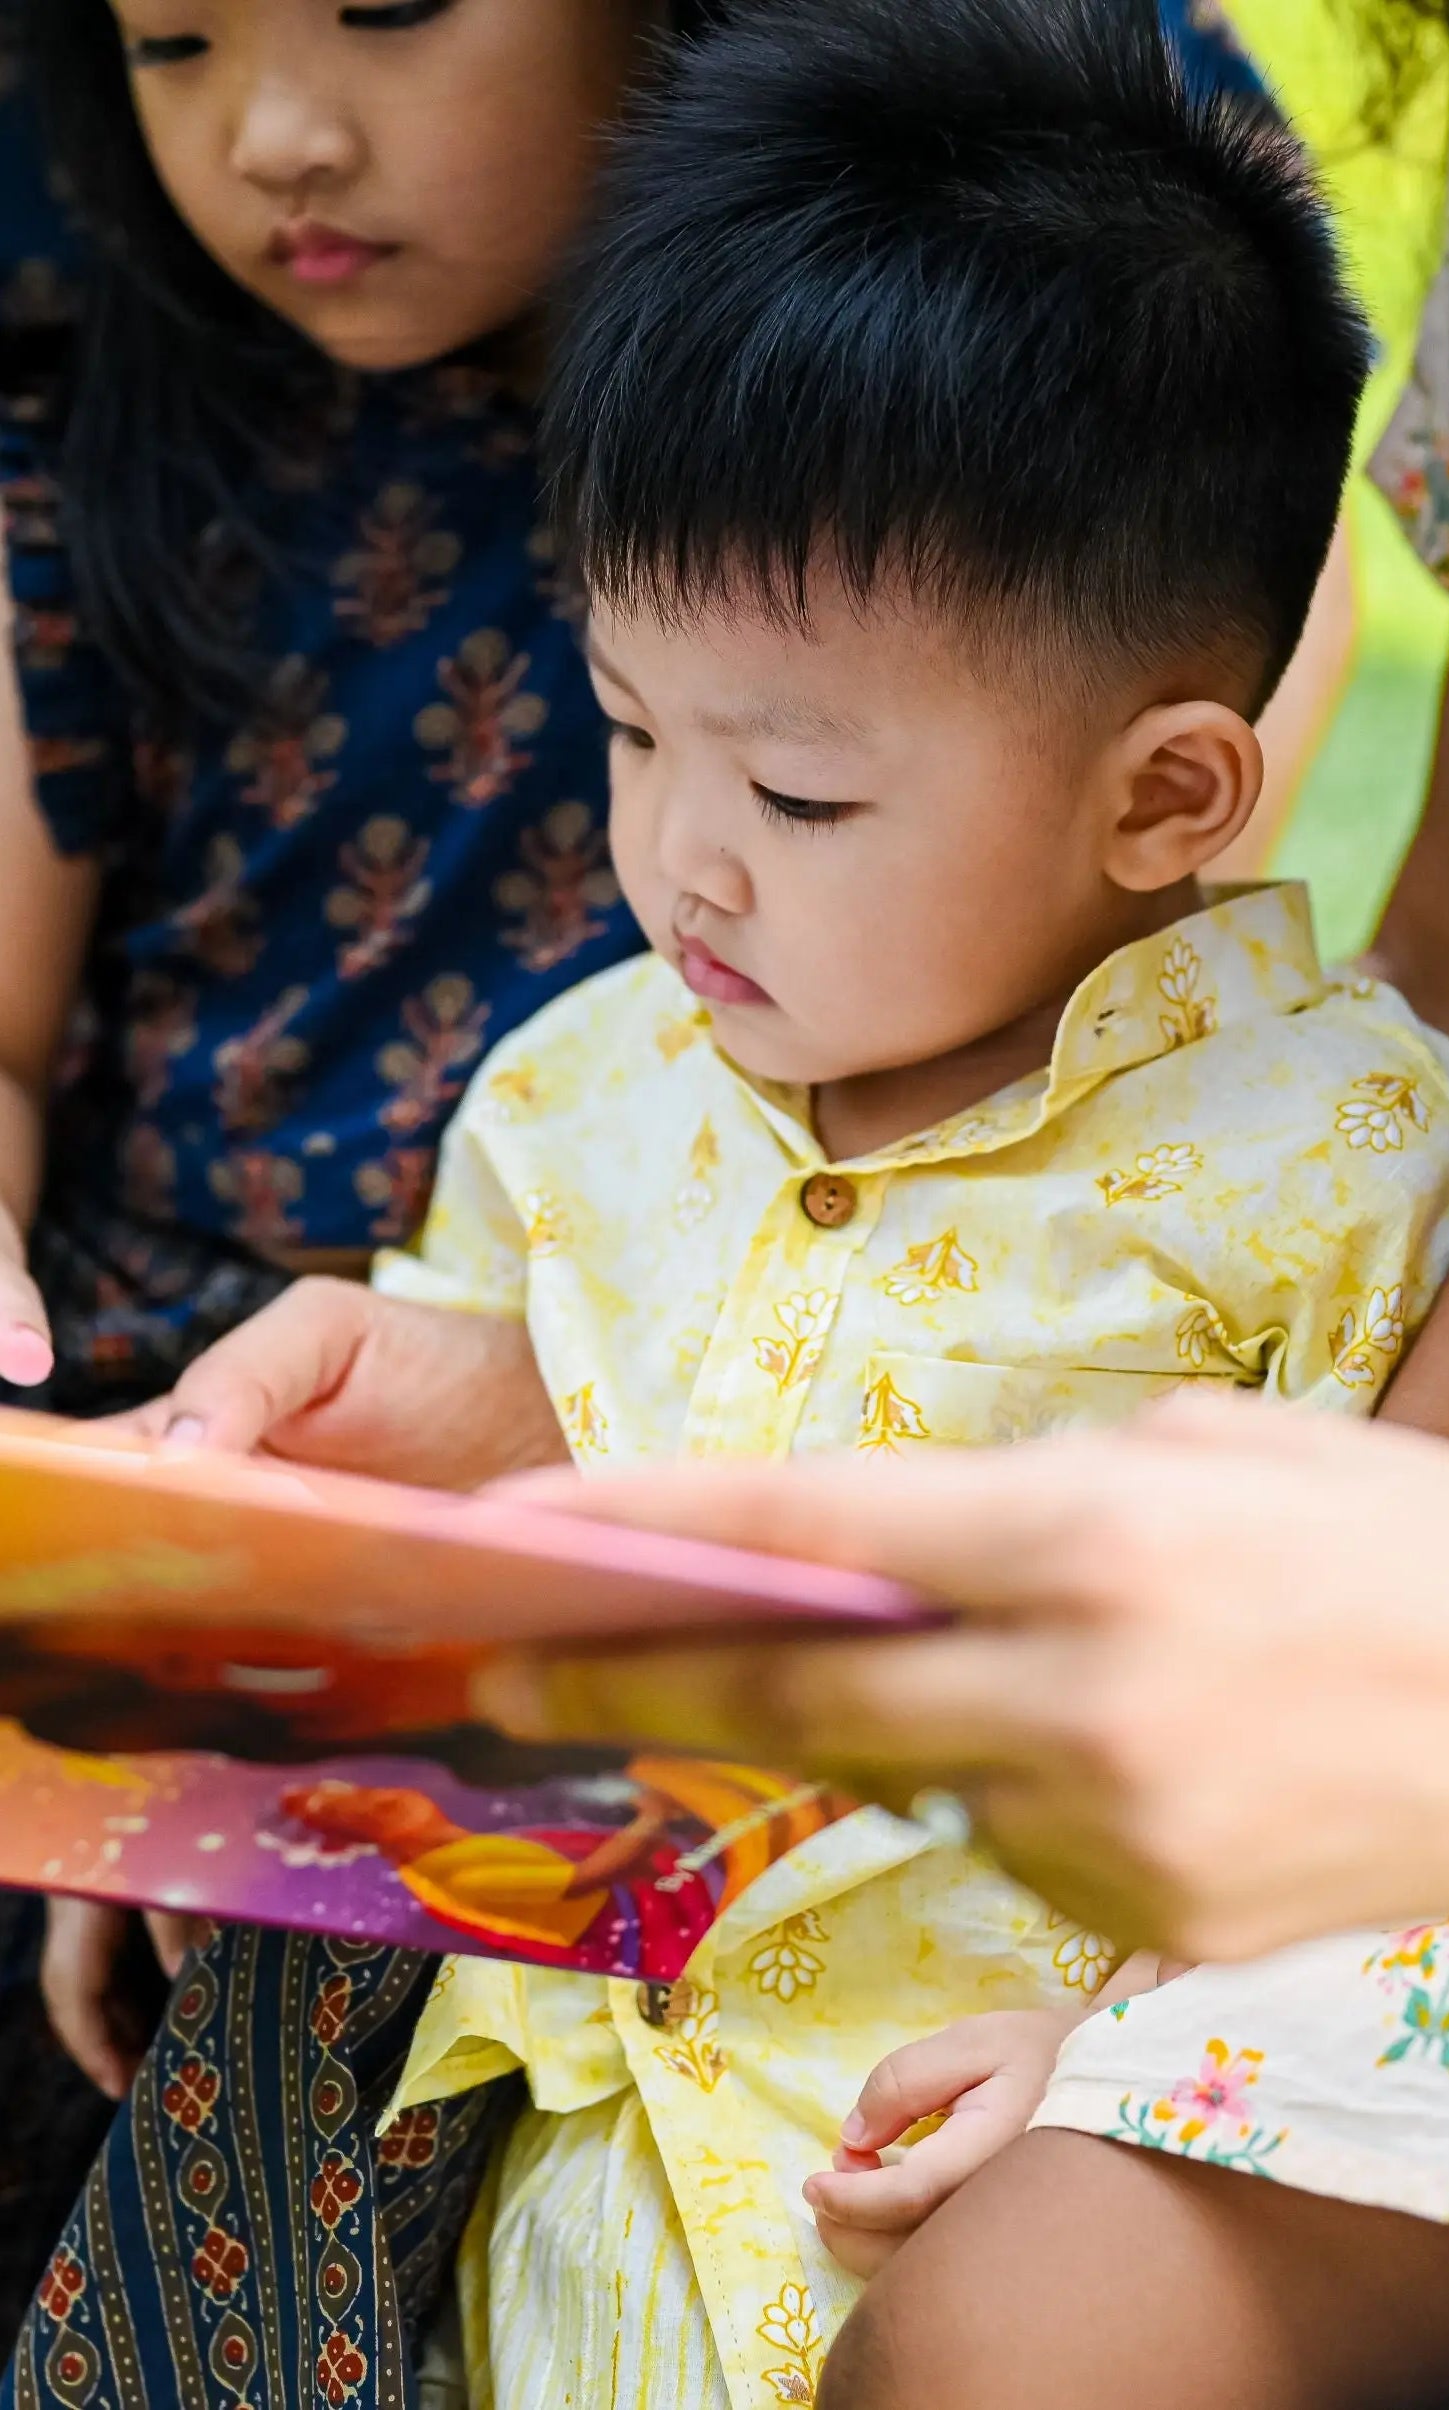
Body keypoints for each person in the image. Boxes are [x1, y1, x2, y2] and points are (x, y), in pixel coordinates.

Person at [17, 1, 1449, 2401]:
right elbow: (464, 1671)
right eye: (628, 727)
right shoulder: (577, 1096)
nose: (680, 859)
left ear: (1166, 792)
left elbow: (1431, 1752)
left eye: (801, 795)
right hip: (524, 2276)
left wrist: (1137, 2045)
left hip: (929, 2259)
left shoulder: (1368, 1180)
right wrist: (217, 1770)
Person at [0, 0, 722, 2361]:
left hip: (644, 1428)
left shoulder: (891, 414)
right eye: (174, 40)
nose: (279, 133)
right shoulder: (93, 447)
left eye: (391, 5)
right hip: (160, 1419)